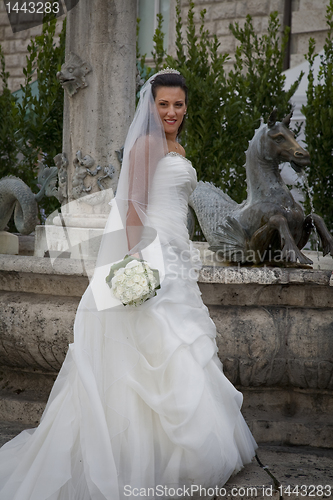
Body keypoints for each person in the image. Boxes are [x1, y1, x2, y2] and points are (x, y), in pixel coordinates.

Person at [0, 69, 257, 500]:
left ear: (185, 106)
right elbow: (133, 204)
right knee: (151, 349)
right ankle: (136, 455)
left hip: (178, 257)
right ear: (151, 106)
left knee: (180, 346)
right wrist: (136, 257)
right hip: (152, 254)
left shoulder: (175, 145)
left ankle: (171, 450)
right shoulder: (147, 144)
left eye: (178, 104)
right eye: (163, 104)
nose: (171, 111)